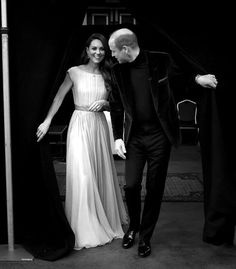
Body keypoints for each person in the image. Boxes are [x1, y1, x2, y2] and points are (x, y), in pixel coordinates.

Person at [108, 28, 218, 258]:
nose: (113, 55)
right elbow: (117, 105)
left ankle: (145, 237)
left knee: (155, 188)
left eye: (113, 51)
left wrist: (198, 78)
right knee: (130, 185)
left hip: (160, 136)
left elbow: (181, 76)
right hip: (136, 137)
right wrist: (118, 136)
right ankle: (133, 227)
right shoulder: (117, 71)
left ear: (125, 49)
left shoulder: (160, 60)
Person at [36, 33, 128, 250]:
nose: (98, 52)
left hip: (98, 127)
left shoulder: (109, 74)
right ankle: (83, 226)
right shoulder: (74, 72)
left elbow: (117, 105)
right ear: (87, 50)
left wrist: (104, 103)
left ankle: (101, 218)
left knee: (98, 173)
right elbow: (59, 98)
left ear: (106, 52)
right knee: (83, 175)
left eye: (102, 49)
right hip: (79, 125)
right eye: (94, 48)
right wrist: (47, 122)